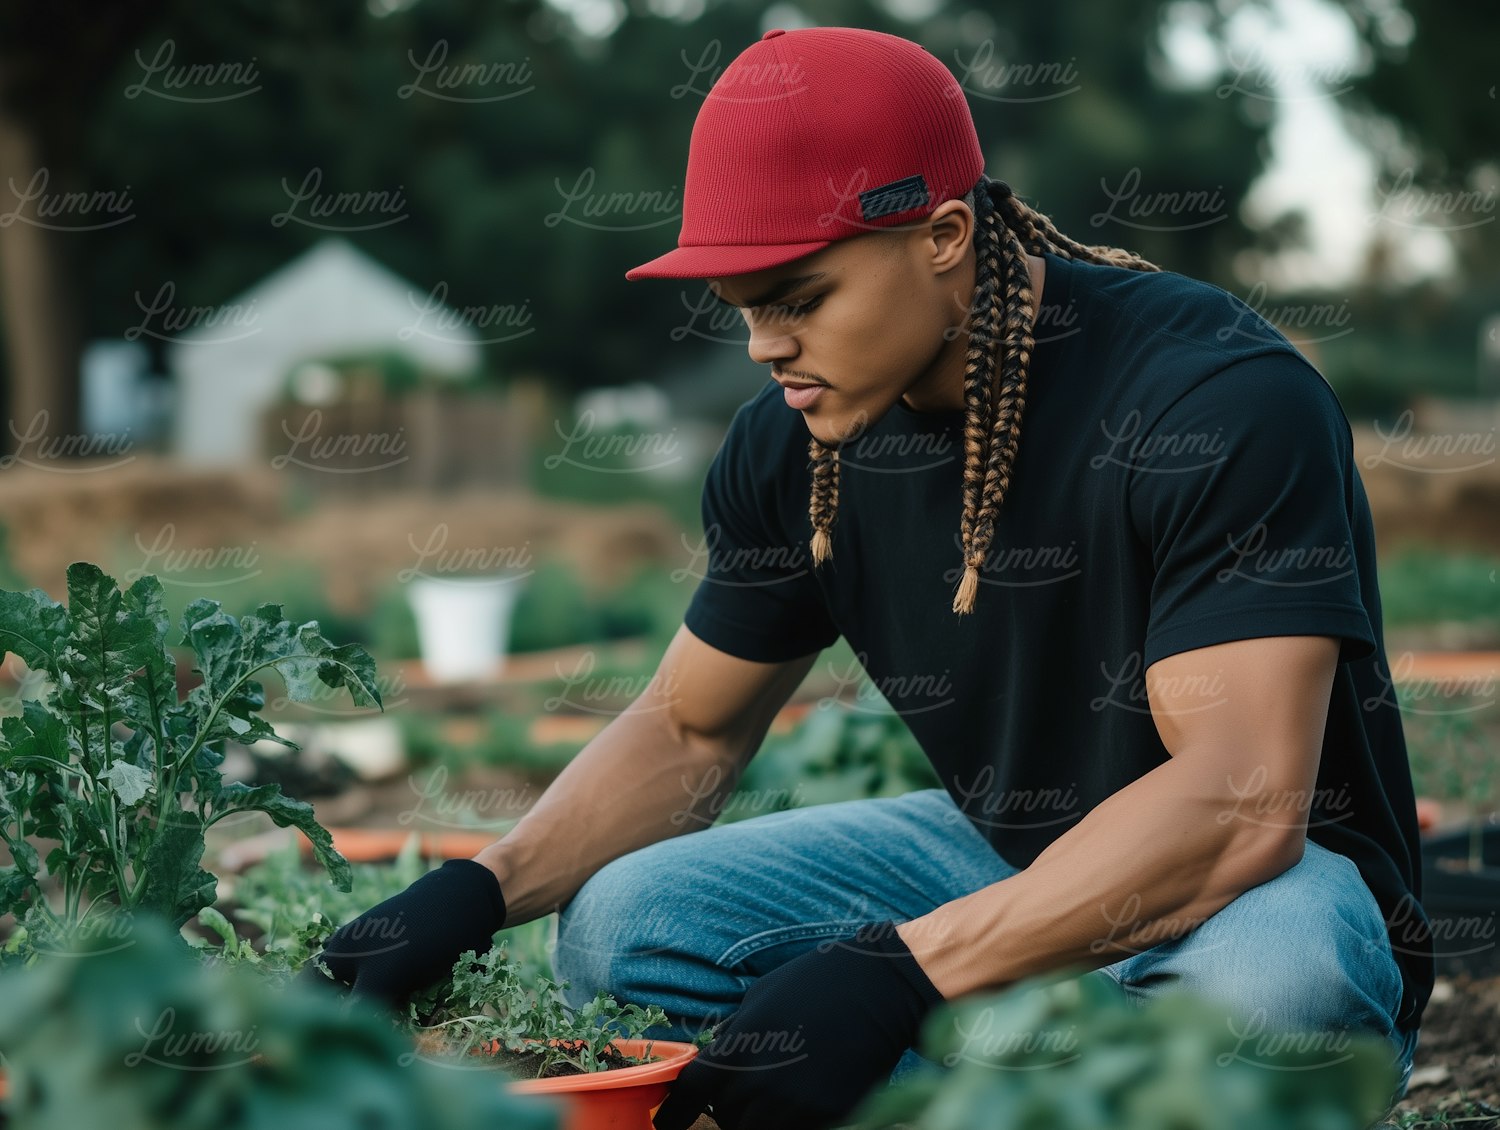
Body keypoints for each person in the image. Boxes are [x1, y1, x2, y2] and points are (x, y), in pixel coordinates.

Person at [308, 25, 1432, 1130]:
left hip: (1260, 882)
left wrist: (903, 972)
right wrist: (480, 888)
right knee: (624, 925)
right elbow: (691, 732)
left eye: (798, 297)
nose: (763, 345)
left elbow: (1242, 802)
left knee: (1279, 994)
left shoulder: (1216, 399)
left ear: (943, 233)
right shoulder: (788, 442)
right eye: (744, 307)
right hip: (1008, 849)